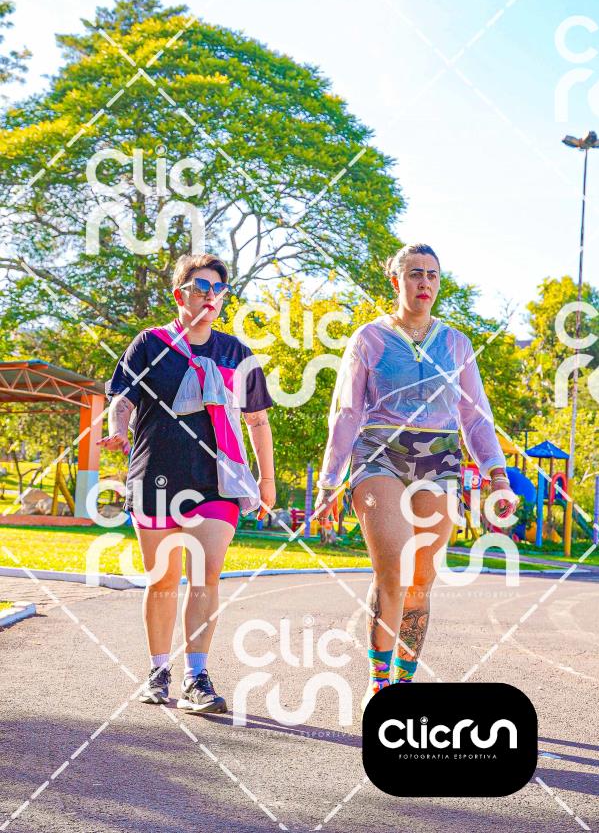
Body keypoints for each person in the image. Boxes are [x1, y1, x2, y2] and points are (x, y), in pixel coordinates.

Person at [314, 243, 515, 710]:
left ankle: (403, 682)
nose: (425, 282)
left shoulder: (456, 343)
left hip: (439, 461)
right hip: (379, 456)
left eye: (432, 275)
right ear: (396, 280)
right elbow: (347, 412)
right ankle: (379, 683)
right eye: (415, 274)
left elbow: (475, 416)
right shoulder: (369, 338)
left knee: (421, 577)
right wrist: (330, 479)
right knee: (394, 568)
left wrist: (497, 475)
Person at [100, 254, 275, 714]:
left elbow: (258, 420)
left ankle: (197, 677)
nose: (210, 296)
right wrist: (119, 427)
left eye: (218, 289)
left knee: (205, 574)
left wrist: (266, 479)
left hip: (217, 481)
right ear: (180, 294)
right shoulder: (149, 344)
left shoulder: (236, 353)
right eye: (201, 287)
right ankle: (158, 670)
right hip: (155, 474)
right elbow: (122, 398)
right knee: (162, 579)